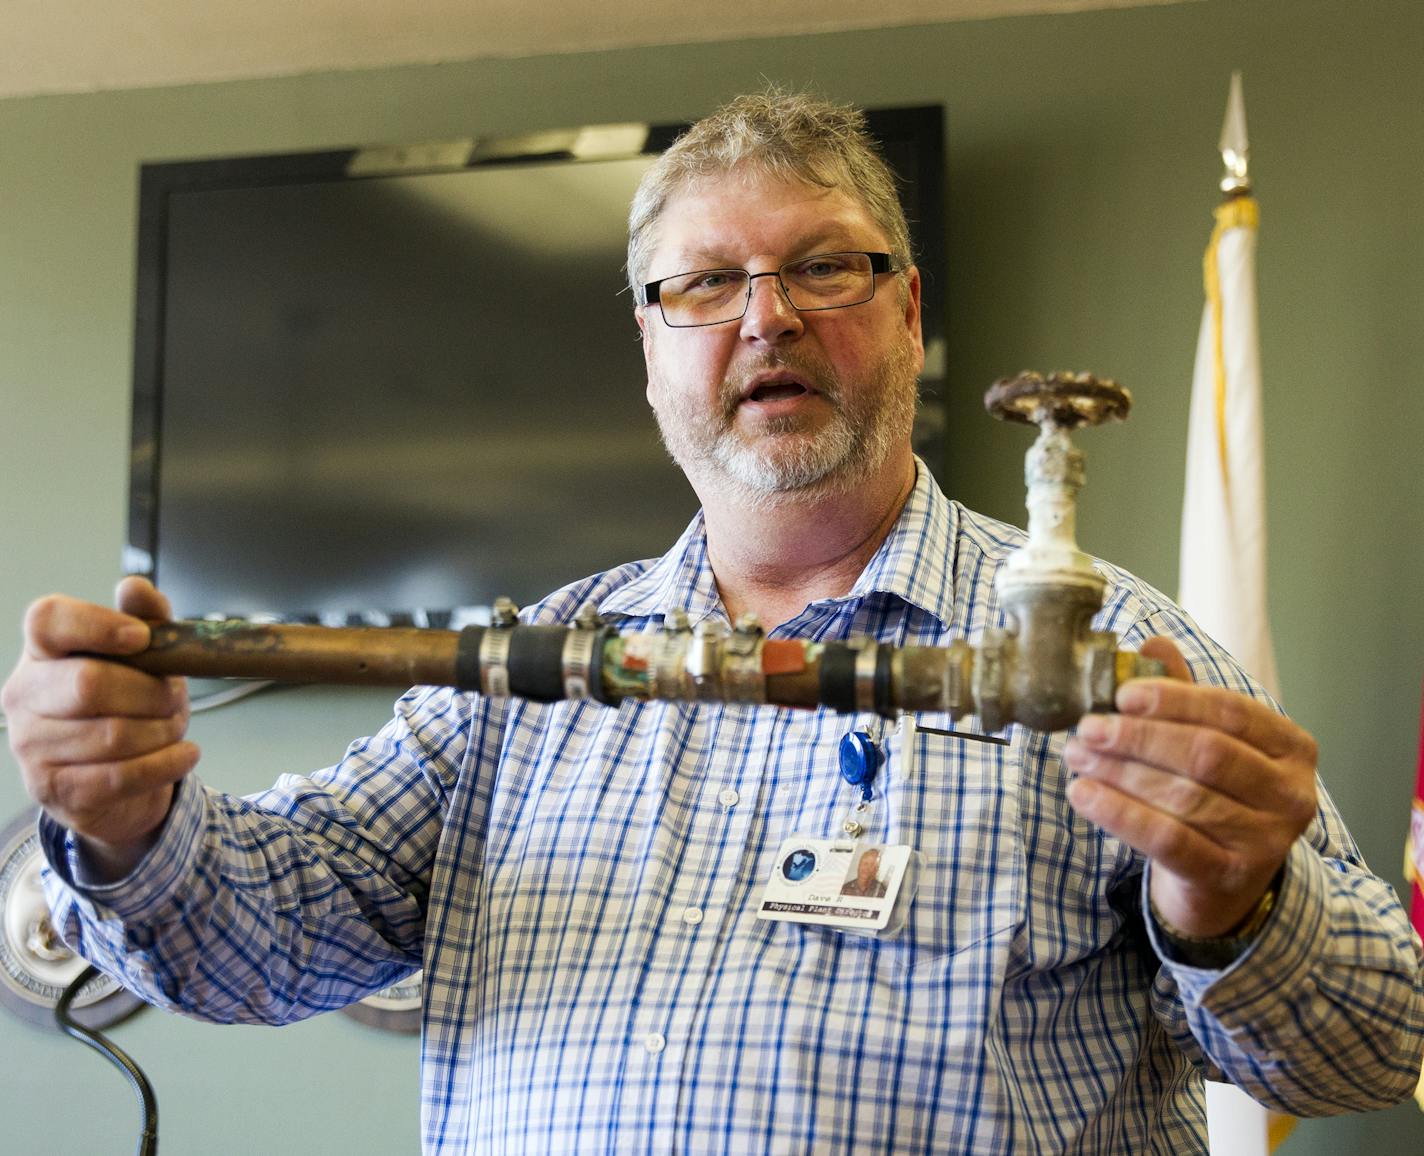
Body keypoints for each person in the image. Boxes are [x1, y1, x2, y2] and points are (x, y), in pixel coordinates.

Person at [5, 90, 1422, 1154]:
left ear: (911, 311)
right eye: (704, 284)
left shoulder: (1127, 660)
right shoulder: (522, 674)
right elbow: (260, 935)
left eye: (824, 267)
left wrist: (1235, 903)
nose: (767, 320)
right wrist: (122, 818)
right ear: (649, 347)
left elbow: (1374, 1046)